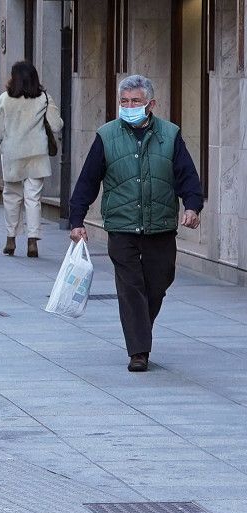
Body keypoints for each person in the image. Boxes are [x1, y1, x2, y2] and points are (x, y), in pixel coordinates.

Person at [69, 75, 203, 373]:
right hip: (122, 225)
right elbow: (88, 180)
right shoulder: (106, 136)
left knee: (158, 283)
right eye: (124, 102)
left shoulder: (170, 135)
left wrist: (192, 206)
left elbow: (187, 176)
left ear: (151, 104)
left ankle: (139, 329)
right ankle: (138, 352)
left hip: (161, 225)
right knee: (131, 288)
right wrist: (77, 219)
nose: (129, 107)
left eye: (136, 102)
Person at [0, 61, 64, 258]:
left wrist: (6, 140)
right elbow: (57, 125)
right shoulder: (44, 99)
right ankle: (32, 241)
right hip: (37, 154)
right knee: (33, 198)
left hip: (13, 153)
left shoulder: (4, 99)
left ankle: (10, 238)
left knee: (12, 197)